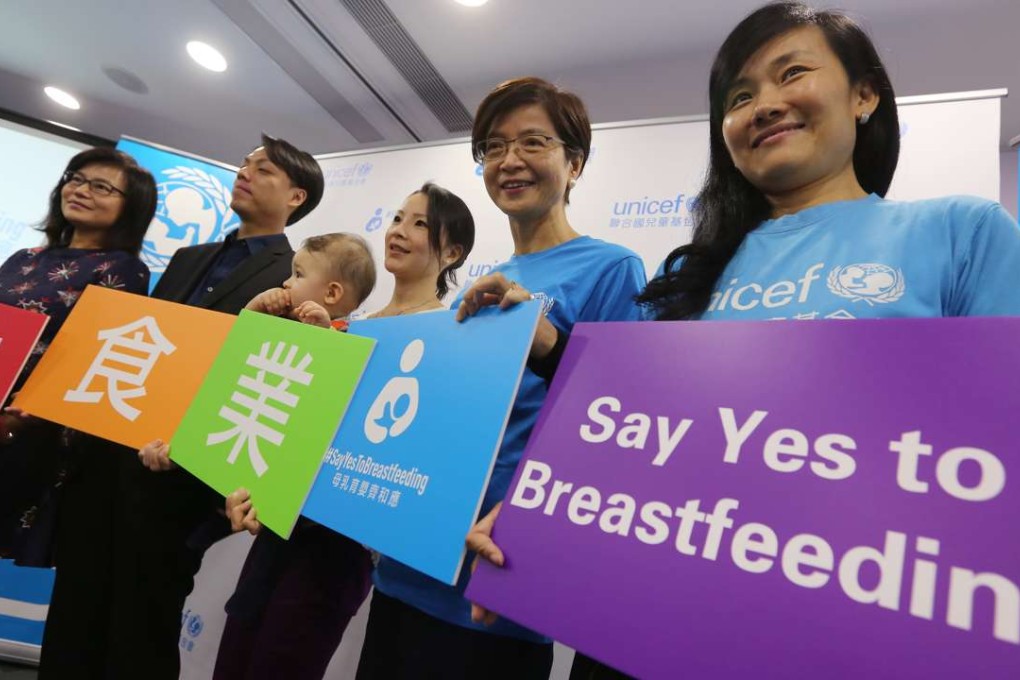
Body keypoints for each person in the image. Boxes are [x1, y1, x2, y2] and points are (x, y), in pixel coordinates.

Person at [470, 4, 1020, 679]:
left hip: (823, 635)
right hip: (633, 627)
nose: (764, 105)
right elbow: (623, 432)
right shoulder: (685, 275)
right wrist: (541, 513)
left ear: (865, 94)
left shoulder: (962, 234)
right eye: (739, 96)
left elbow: (992, 462)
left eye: (791, 74)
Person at [355, 78, 646, 680]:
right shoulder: (483, 281)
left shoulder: (612, 268)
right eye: (493, 147)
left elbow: (624, 422)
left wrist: (543, 336)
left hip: (497, 578)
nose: (509, 160)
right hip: (412, 564)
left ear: (576, 163)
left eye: (533, 142)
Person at [213, 182, 474, 680]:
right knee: (234, 656)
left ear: (453, 251)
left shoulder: (447, 338)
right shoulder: (345, 326)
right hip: (281, 522)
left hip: (345, 541)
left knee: (282, 663)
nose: (399, 231)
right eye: (398, 217)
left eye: (420, 224)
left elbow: (424, 454)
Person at [104, 133, 325, 680]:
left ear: (296, 196)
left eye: (264, 169)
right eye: (245, 163)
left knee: (153, 623)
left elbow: (275, 377)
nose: (245, 172)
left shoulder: (295, 274)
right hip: (132, 452)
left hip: (200, 474)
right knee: (105, 612)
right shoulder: (190, 257)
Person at [0, 147, 155, 676]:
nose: (82, 190)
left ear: (129, 208)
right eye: (76, 179)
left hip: (30, 434)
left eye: (101, 187)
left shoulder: (126, 272)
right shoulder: (23, 259)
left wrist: (19, 417)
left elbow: (91, 365)